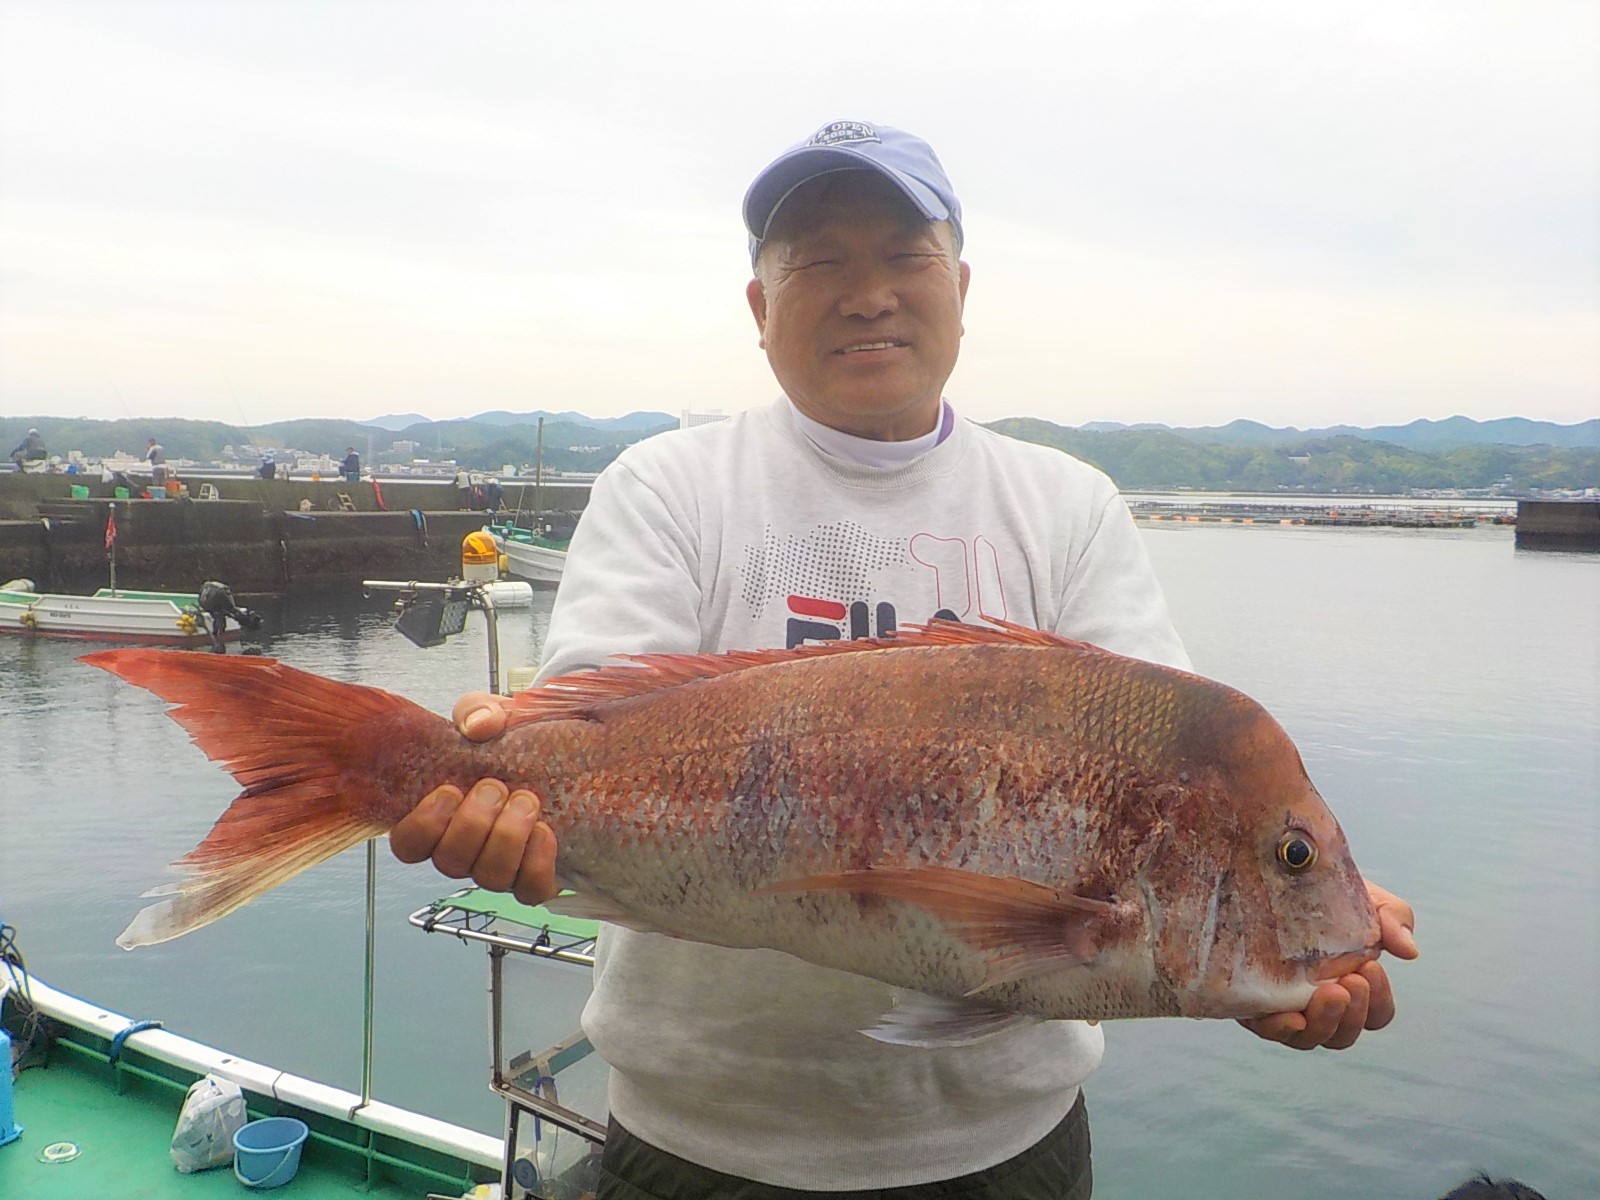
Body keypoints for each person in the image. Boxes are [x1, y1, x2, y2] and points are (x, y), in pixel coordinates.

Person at [390, 121, 1418, 1198]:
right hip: (699, 1144)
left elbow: (1184, 784)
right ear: (758, 308)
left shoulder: (1066, 507)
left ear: (961, 287)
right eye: (821, 263)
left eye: (903, 258)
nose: (867, 293)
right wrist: (497, 803)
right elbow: (580, 741)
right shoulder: (665, 487)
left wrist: (1292, 926)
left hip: (1004, 1154)